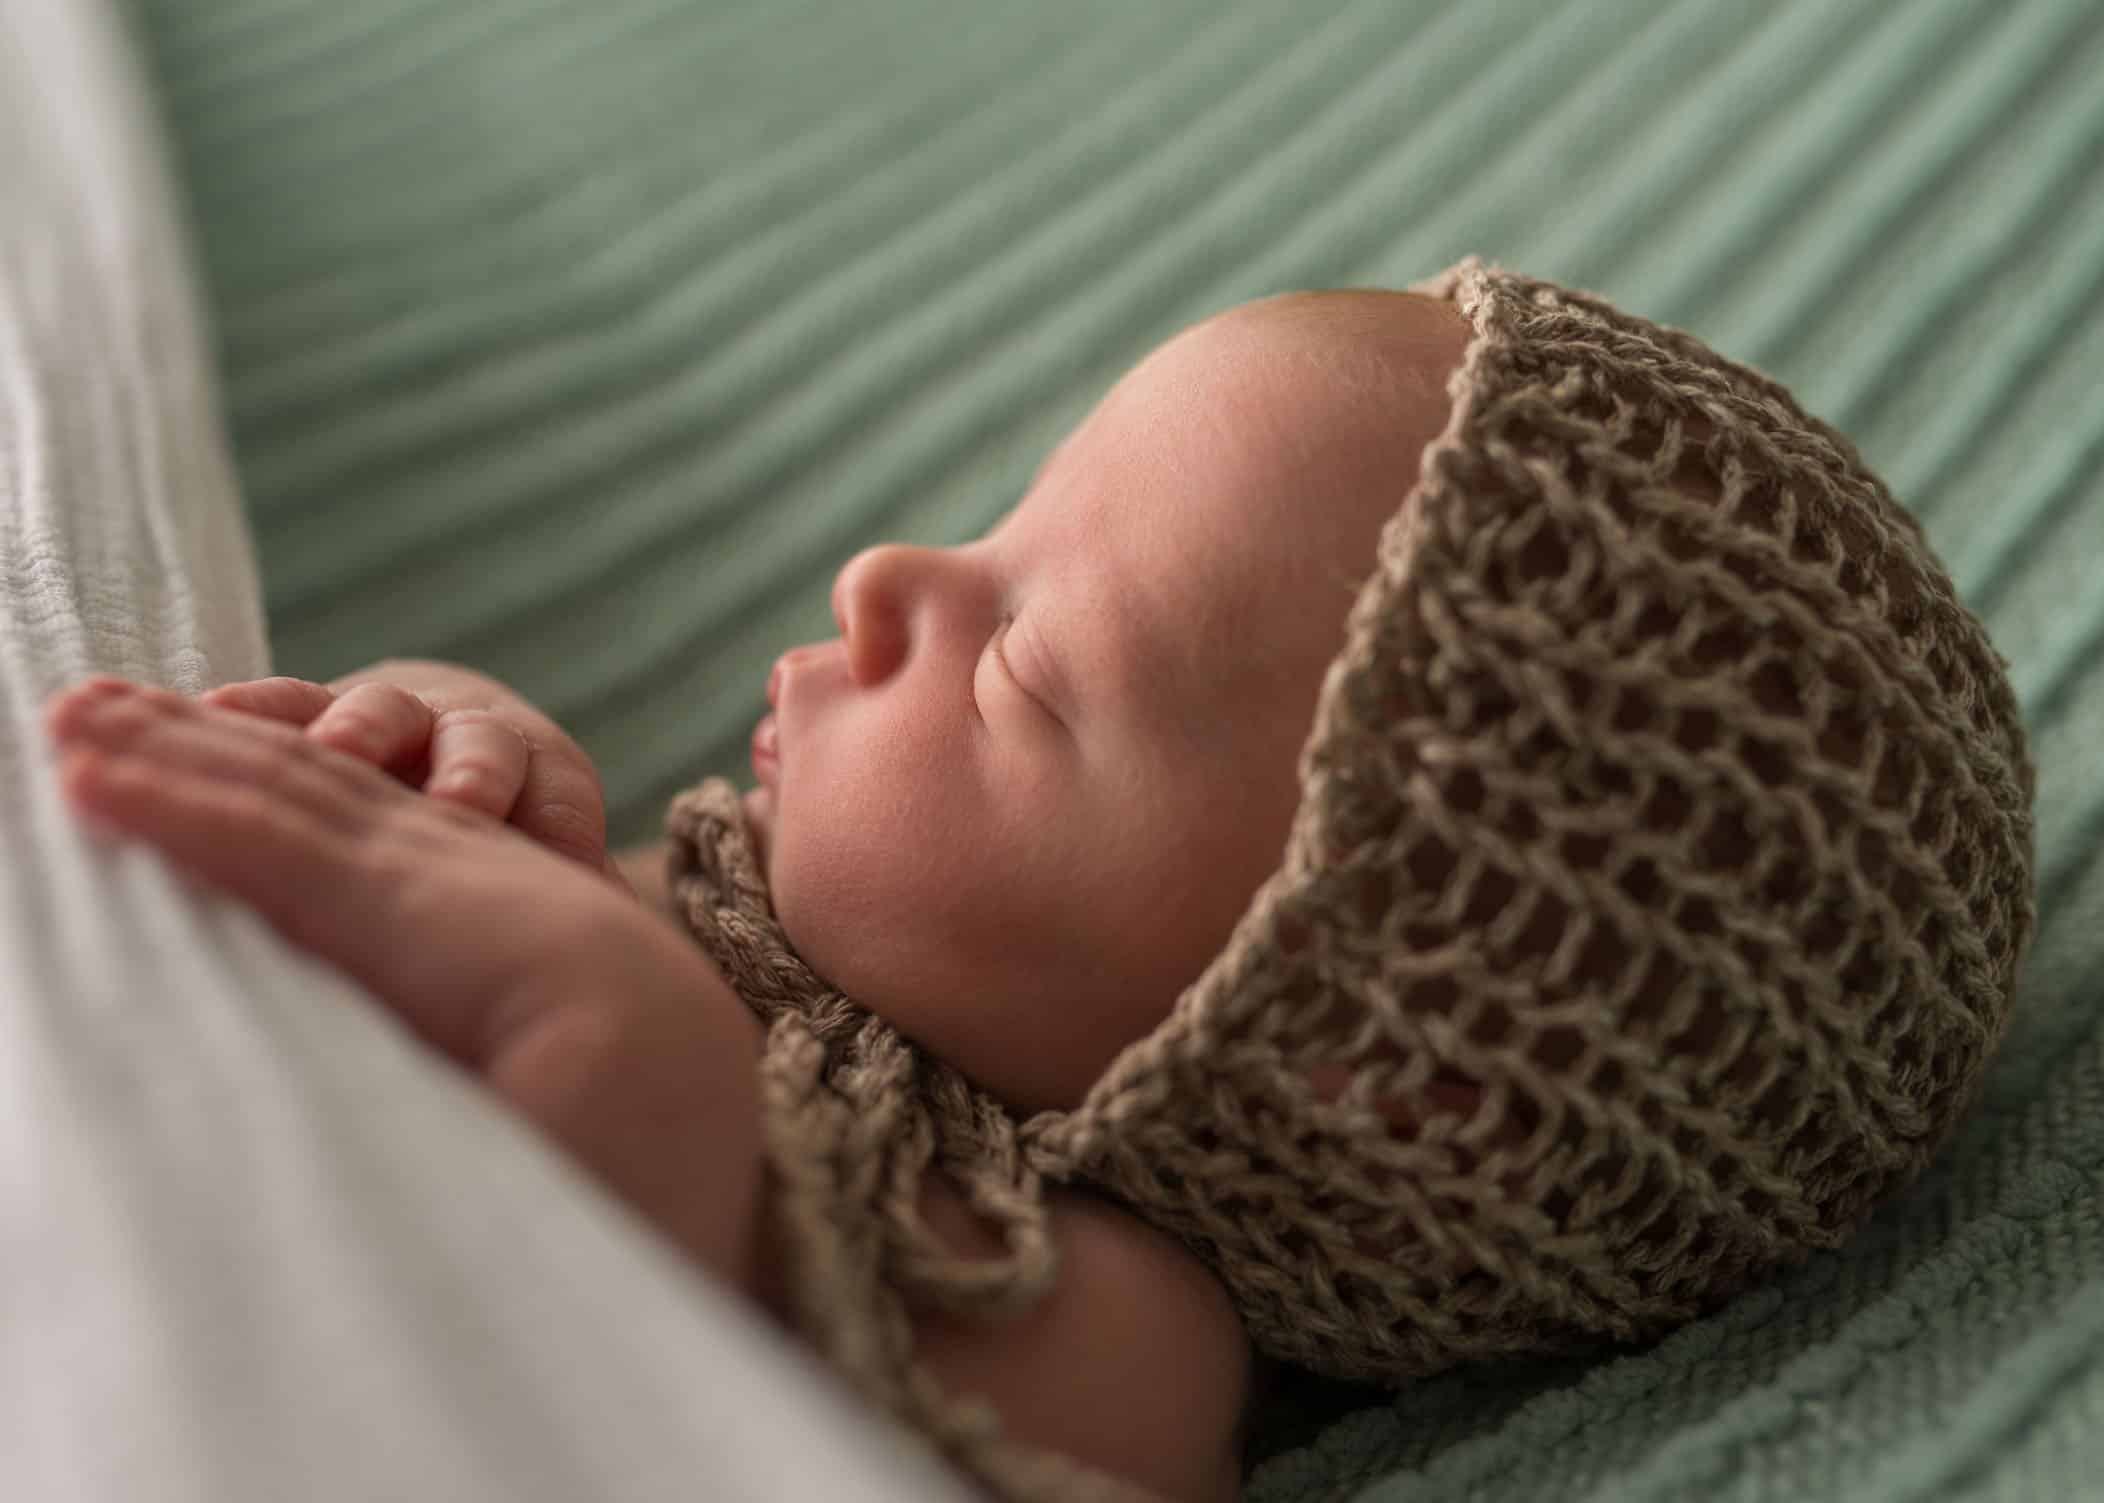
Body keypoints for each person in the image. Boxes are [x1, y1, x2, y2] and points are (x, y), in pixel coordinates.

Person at [40, 261, 2036, 1503]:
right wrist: (458, 747)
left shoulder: (1115, 1331)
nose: (887, 577)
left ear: (1344, 1053)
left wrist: (586, 998)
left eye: (1017, 665)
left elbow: (650, 1368)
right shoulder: (773, 925)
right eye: (1006, 519)